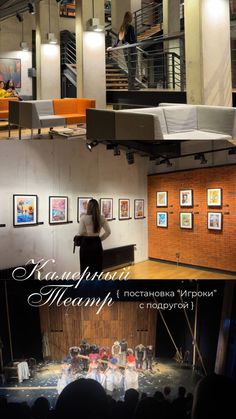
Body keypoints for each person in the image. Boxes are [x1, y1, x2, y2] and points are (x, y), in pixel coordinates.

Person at [77, 198, 111, 278]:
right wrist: (99, 239)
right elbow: (108, 232)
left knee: (85, 268)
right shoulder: (102, 218)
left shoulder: (83, 218)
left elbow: (80, 232)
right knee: (97, 267)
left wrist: (87, 233)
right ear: (97, 207)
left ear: (88, 207)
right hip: (96, 244)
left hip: (85, 244)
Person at [107, 11, 138, 90]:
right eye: (131, 17)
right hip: (132, 49)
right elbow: (134, 40)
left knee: (129, 67)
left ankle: (130, 86)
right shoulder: (130, 27)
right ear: (129, 18)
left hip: (125, 49)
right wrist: (137, 43)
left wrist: (113, 46)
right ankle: (131, 86)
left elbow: (117, 39)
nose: (132, 18)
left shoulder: (122, 27)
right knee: (133, 68)